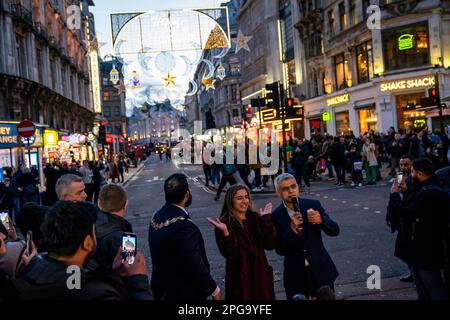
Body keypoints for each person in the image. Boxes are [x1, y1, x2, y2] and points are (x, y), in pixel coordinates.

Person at [14, 201, 151, 300]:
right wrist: (138, 282)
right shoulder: (96, 293)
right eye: (93, 231)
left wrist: (112, 273)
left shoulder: (32, 266)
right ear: (87, 243)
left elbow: (71, 280)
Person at [148, 173, 220, 300]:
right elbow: (195, 264)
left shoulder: (156, 216)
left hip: (161, 288)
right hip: (183, 292)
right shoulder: (184, 227)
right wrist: (214, 289)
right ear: (187, 195)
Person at [272, 173, 340, 299]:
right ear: (278, 193)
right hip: (295, 275)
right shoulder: (276, 215)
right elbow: (280, 249)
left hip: (320, 270)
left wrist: (321, 221)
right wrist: (292, 230)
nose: (291, 191)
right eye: (285, 189)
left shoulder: (312, 204)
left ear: (298, 187)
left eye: (293, 186)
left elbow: (335, 230)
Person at [207, 185, 276, 300]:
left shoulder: (255, 217)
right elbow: (231, 255)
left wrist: (266, 220)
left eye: (246, 197)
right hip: (240, 281)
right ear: (231, 201)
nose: (244, 201)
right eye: (239, 198)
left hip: (260, 278)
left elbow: (269, 245)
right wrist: (226, 233)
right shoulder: (224, 223)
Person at [393, 158, 449, 300]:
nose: (410, 175)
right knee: (423, 288)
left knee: (433, 287)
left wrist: (395, 195)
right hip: (420, 250)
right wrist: (405, 191)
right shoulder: (427, 188)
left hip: (426, 250)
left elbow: (407, 212)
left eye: (412, 171)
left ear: (420, 173)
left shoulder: (430, 192)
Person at [386, 155, 415, 283]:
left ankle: (415, 273)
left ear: (412, 165)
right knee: (403, 248)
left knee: (410, 248)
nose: (403, 167)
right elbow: (393, 196)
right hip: (400, 216)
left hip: (410, 217)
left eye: (406, 165)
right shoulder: (399, 176)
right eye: (401, 164)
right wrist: (389, 215)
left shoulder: (415, 178)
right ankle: (412, 272)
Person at [94, 184, 133, 268]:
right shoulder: (128, 238)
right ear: (126, 204)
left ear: (99, 204)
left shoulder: (88, 228)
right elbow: (131, 268)